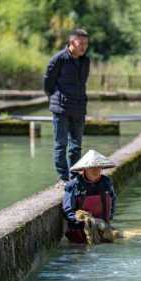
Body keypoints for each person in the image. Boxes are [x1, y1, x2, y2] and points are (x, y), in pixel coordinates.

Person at [44, 28, 91, 183]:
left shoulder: (86, 61)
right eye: (80, 43)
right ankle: (63, 178)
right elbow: (48, 81)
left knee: (76, 146)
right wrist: (56, 98)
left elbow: (81, 83)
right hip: (61, 108)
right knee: (61, 144)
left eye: (86, 43)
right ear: (72, 42)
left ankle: (75, 176)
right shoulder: (59, 59)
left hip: (79, 108)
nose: (83, 46)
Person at [63, 150, 117, 244]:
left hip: (103, 229)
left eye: (98, 167)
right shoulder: (74, 185)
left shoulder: (106, 182)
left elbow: (113, 201)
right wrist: (85, 221)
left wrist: (107, 220)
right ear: (85, 169)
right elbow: (68, 211)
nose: (95, 170)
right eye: (92, 167)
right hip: (80, 233)